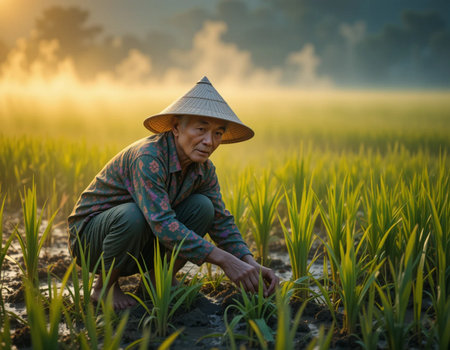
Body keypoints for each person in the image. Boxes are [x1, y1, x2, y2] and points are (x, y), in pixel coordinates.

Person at [68, 76, 279, 310]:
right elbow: (162, 224)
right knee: (132, 215)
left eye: (218, 133)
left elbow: (221, 220)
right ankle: (104, 288)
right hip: (91, 240)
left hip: (140, 238)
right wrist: (225, 260)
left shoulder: (204, 170)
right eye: (201, 129)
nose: (209, 141)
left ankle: (158, 281)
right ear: (177, 128)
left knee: (204, 207)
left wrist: (248, 262)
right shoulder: (148, 158)